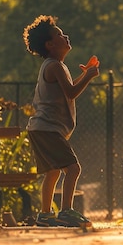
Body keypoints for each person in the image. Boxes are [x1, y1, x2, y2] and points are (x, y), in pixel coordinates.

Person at [23, 15, 100, 227]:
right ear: (50, 44)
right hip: (47, 129)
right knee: (73, 169)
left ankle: (45, 215)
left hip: (42, 129)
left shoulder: (57, 65)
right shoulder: (54, 66)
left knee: (53, 171)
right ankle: (66, 211)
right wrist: (88, 76)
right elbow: (72, 92)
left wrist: (83, 76)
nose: (65, 36)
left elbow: (67, 91)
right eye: (59, 35)